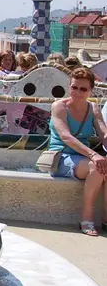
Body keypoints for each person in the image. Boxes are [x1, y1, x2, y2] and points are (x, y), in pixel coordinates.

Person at [48, 67, 107, 236]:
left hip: (83, 157)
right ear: (69, 86)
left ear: (90, 90)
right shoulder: (59, 106)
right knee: (96, 167)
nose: (78, 92)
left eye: (83, 89)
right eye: (74, 87)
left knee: (103, 166)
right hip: (61, 156)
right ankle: (86, 218)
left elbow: (103, 132)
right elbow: (66, 137)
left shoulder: (93, 108)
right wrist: (94, 155)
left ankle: (106, 217)